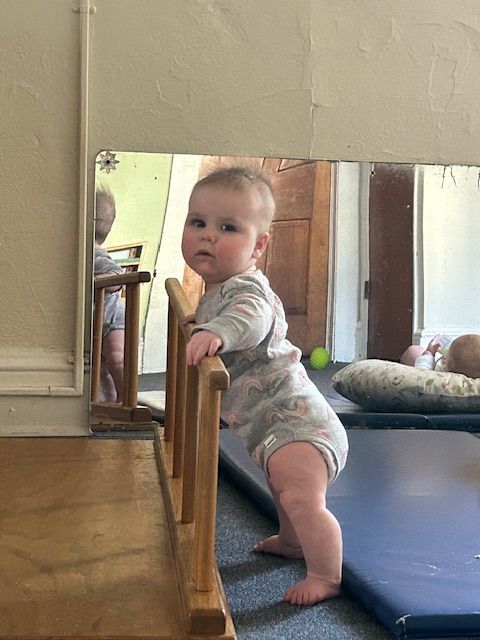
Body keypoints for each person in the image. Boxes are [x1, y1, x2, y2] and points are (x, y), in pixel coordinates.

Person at [181, 166, 349, 606]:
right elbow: (223, 312)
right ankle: (293, 543)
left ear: (259, 246)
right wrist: (201, 321)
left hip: (299, 422)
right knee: (281, 489)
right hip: (272, 424)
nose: (208, 236)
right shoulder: (218, 288)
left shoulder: (248, 290)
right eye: (197, 223)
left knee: (302, 497)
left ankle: (326, 575)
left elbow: (249, 320)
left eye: (227, 227)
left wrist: (217, 333)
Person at [94, 187, 125, 403]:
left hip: (113, 319)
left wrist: (97, 283)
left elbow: (119, 274)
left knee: (116, 360)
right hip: (95, 321)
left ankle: (127, 398)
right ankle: (112, 401)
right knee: (101, 368)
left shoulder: (96, 255)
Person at [400, 333, 480, 378]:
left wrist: (429, 353)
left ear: (445, 363)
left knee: (413, 351)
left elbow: (421, 374)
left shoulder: (439, 379)